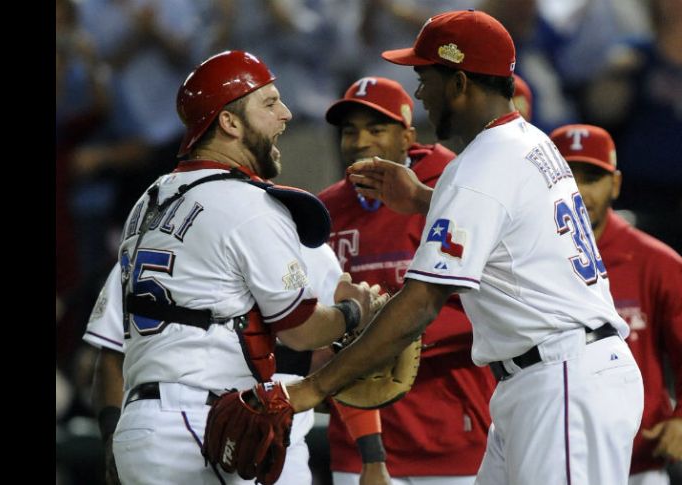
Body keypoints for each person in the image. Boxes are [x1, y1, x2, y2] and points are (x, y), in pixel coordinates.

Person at [285, 10, 644, 485]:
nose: (418, 92)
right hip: (549, 375)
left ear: (457, 82)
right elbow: (508, 227)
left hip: (562, 380)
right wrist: (422, 200)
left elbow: (418, 304)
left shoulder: (481, 166)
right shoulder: (528, 141)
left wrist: (313, 389)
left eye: (424, 77)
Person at [111, 50, 380, 484]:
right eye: (269, 103)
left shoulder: (151, 199)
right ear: (229, 123)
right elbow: (301, 330)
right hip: (199, 425)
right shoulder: (246, 203)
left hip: (146, 422)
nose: (287, 113)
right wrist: (355, 311)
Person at [318, 76, 495, 485]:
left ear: (407, 136)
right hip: (358, 442)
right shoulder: (325, 211)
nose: (361, 141)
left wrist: (398, 335)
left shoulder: (453, 190)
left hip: (452, 428)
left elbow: (488, 301)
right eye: (350, 131)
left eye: (377, 129)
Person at [85, 237, 345, 484]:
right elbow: (111, 355)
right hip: (185, 426)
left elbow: (331, 361)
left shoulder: (312, 252)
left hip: (283, 448)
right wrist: (110, 439)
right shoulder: (152, 237)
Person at [548, 124, 682, 485]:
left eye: (593, 178)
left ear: (614, 185)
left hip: (637, 468)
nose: (580, 192)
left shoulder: (653, 262)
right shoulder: (523, 259)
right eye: (568, 177)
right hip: (544, 459)